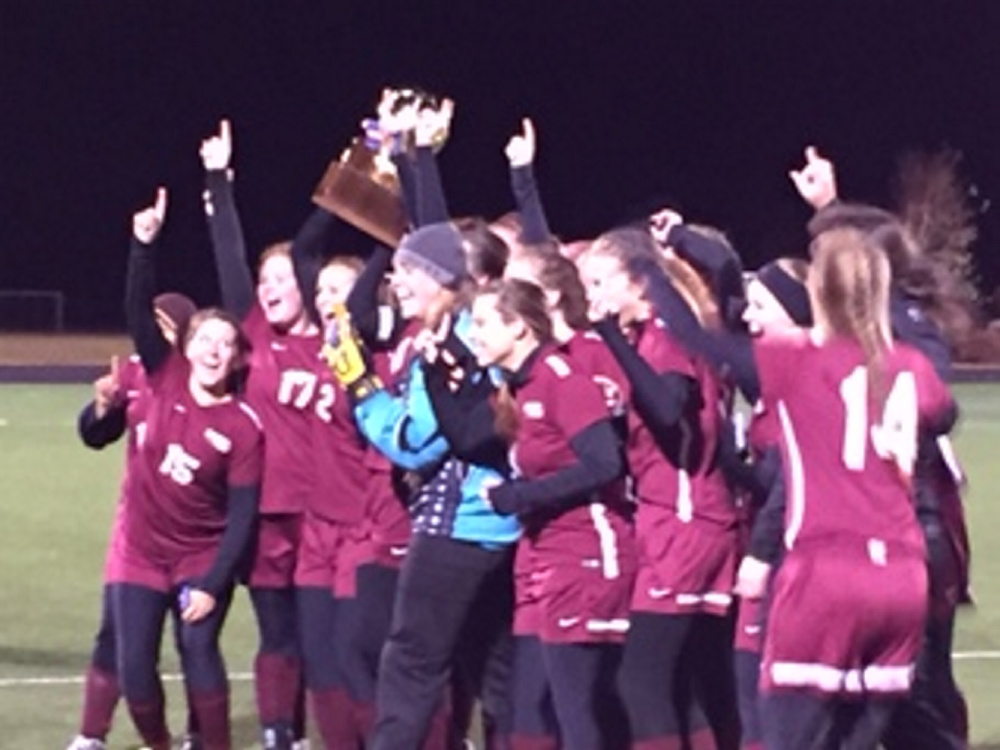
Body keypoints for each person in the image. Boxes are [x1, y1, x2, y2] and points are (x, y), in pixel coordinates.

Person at [751, 227, 956, 750]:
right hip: (903, 573)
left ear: (815, 295)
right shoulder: (910, 362)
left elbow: (708, 340)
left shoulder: (793, 360)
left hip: (825, 571)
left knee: (789, 734)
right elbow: (942, 409)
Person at [792, 147, 970, 748]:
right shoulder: (857, 327)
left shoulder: (910, 329)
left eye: (827, 260)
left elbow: (935, 408)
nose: (816, 273)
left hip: (909, 536)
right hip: (862, 541)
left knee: (914, 701)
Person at [324, 220, 520, 750]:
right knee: (496, 676)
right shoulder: (462, 328)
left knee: (410, 667)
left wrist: (360, 387)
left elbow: (415, 442)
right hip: (500, 526)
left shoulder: (456, 336)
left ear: (441, 277)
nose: (396, 279)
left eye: (407, 269)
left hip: (457, 525)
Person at [579, 227, 740, 750]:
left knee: (639, 680)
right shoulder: (653, 337)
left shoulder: (664, 338)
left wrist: (607, 337)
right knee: (683, 681)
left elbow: (670, 411)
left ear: (641, 285)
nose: (592, 297)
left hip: (684, 522)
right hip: (680, 518)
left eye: (601, 282)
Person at [114, 188, 263, 750]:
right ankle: (160, 745)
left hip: (200, 556)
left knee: (198, 649)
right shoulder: (165, 374)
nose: (214, 350)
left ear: (237, 356)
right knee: (135, 668)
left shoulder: (244, 425)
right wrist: (143, 246)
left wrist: (213, 580)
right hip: (141, 551)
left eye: (226, 343)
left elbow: (243, 514)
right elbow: (136, 311)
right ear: (188, 343)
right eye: (206, 339)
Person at [466, 279, 635, 750]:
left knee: (575, 708)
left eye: (481, 323)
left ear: (518, 327)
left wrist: (521, 496)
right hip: (539, 555)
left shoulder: (563, 379)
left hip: (584, 550)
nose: (473, 334)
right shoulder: (515, 388)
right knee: (531, 706)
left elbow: (605, 463)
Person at [201, 120, 318, 749]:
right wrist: (219, 184)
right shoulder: (254, 336)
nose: (271, 289)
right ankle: (281, 732)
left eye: (284, 278)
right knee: (279, 635)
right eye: (266, 280)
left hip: (329, 517)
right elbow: (228, 262)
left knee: (325, 636)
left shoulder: (336, 343)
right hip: (270, 517)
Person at [67, 293, 201, 750]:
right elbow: (95, 436)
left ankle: (200, 733)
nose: (157, 335)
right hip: (136, 536)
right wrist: (102, 408)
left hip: (193, 539)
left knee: (194, 643)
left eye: (167, 326)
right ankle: (91, 735)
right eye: (153, 324)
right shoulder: (133, 374)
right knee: (117, 638)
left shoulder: (202, 377)